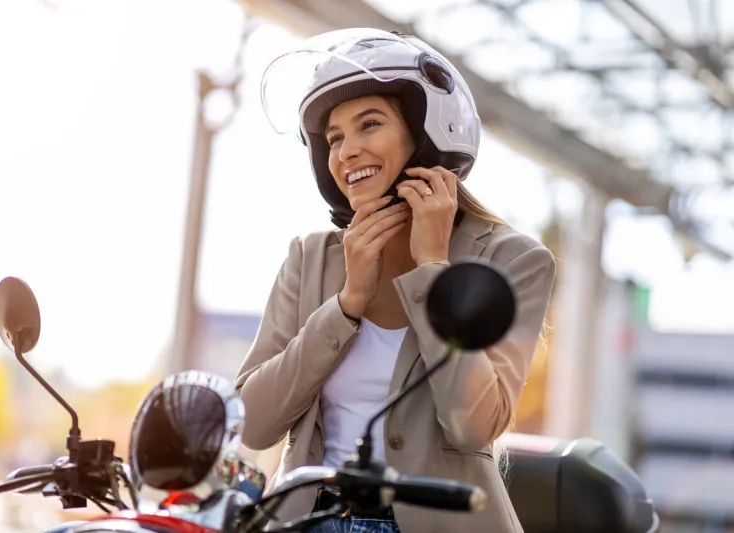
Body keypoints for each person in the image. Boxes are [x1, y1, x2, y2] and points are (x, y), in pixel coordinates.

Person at [235, 28, 556, 533]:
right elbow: (252, 423)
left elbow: (473, 425)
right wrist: (345, 304)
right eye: (335, 137)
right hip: (306, 520)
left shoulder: (513, 259)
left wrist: (432, 270)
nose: (346, 152)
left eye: (369, 124)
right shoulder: (310, 256)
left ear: (427, 131)